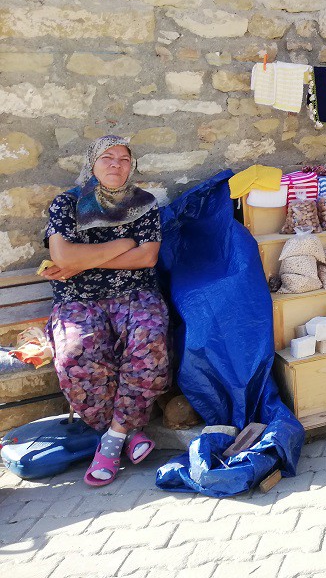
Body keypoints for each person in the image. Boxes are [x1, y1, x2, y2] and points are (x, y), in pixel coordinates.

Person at [42, 136, 169, 486]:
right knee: (74, 355)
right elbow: (64, 258)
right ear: (92, 164)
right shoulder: (67, 204)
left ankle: (112, 440)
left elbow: (147, 257)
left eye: (124, 158)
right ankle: (131, 431)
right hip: (77, 297)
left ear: (133, 165)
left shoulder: (144, 204)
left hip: (135, 293)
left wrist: (86, 259)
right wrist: (124, 243)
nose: (116, 164)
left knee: (150, 341)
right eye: (107, 157)